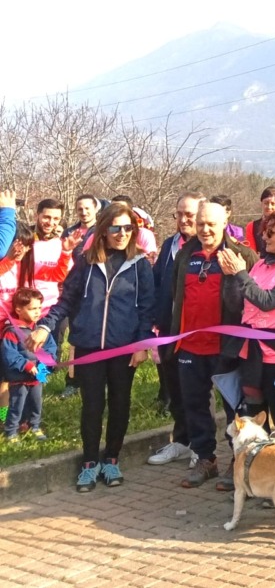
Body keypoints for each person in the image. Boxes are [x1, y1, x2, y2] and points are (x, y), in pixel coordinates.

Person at [37, 201, 155, 492]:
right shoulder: (87, 260)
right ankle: (90, 462)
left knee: (119, 404)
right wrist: (44, 325)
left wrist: (141, 345)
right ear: (104, 230)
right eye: (116, 227)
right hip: (90, 347)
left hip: (123, 349)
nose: (122, 233)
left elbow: (147, 309)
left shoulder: (140, 264)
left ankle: (112, 458)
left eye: (129, 228)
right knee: (92, 406)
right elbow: (68, 299)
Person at [168, 200, 257, 489]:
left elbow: (253, 296)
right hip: (190, 345)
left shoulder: (241, 253)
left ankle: (238, 462)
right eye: (200, 223)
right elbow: (175, 295)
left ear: (224, 224)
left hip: (228, 347)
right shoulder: (185, 254)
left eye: (211, 224)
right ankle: (206, 458)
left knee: (234, 409)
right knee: (194, 405)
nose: (205, 229)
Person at [218, 209, 275, 448]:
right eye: (264, 233)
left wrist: (240, 273)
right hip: (252, 350)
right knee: (253, 410)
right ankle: (257, 460)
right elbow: (238, 302)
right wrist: (230, 277)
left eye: (271, 233)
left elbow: (267, 302)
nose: (265, 238)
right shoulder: (260, 265)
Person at [148, 192, 204, 467]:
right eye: (178, 214)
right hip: (168, 331)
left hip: (196, 333)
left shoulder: (207, 247)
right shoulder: (170, 244)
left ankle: (201, 446)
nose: (183, 220)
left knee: (196, 391)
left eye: (189, 215)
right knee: (176, 389)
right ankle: (181, 440)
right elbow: (159, 283)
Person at [3, 288, 54, 441]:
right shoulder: (11, 331)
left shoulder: (42, 331)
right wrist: (27, 365)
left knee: (36, 403)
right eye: (32, 309)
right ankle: (11, 430)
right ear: (18, 310)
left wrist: (44, 367)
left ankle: (35, 426)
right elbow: (9, 355)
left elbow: (51, 350)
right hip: (19, 377)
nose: (37, 312)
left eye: (39, 307)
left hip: (38, 377)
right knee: (16, 404)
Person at [243, 187, 275, 257]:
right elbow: (252, 254)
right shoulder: (252, 226)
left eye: (273, 204)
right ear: (261, 204)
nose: (269, 207)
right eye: (266, 203)